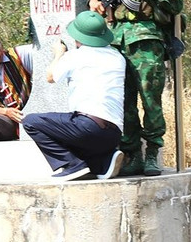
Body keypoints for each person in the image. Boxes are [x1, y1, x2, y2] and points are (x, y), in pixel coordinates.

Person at [90, 0, 182, 176]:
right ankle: (132, 154)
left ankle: (152, 152)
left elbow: (176, 3)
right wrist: (94, 0)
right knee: (124, 101)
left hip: (145, 41)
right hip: (117, 41)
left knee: (150, 100)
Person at [22, 11, 126, 180]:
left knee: (31, 122)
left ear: (79, 37)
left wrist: (58, 54)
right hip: (113, 133)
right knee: (72, 133)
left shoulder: (76, 56)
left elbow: (50, 76)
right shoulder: (117, 57)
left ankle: (72, 165)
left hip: (88, 127)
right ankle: (103, 161)